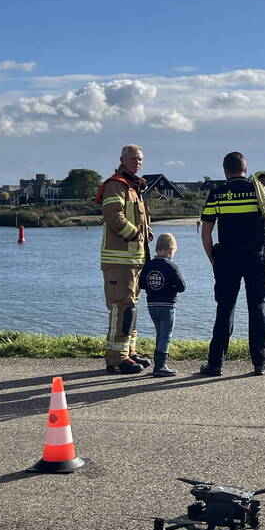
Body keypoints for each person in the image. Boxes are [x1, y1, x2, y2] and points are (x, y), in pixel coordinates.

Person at [199, 152, 265, 377]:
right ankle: (260, 363)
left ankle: (215, 364)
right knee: (258, 309)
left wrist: (213, 258)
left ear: (225, 170)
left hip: (227, 258)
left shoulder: (217, 194)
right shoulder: (259, 191)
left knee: (224, 310)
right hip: (256, 257)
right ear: (245, 168)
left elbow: (206, 233)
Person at [96, 144, 153, 375]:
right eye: (132, 159)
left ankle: (129, 352)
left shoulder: (133, 187)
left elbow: (138, 219)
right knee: (121, 308)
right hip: (119, 260)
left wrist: (146, 233)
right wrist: (136, 234)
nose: (137, 162)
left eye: (139, 159)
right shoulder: (116, 185)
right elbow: (113, 216)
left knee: (130, 307)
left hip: (133, 261)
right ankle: (116, 360)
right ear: (122, 159)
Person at [139, 233, 186, 377]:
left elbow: (141, 284)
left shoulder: (148, 265)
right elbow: (182, 287)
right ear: (171, 249)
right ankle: (160, 366)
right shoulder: (172, 266)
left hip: (152, 305)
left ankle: (159, 364)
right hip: (167, 305)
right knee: (166, 335)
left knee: (160, 333)